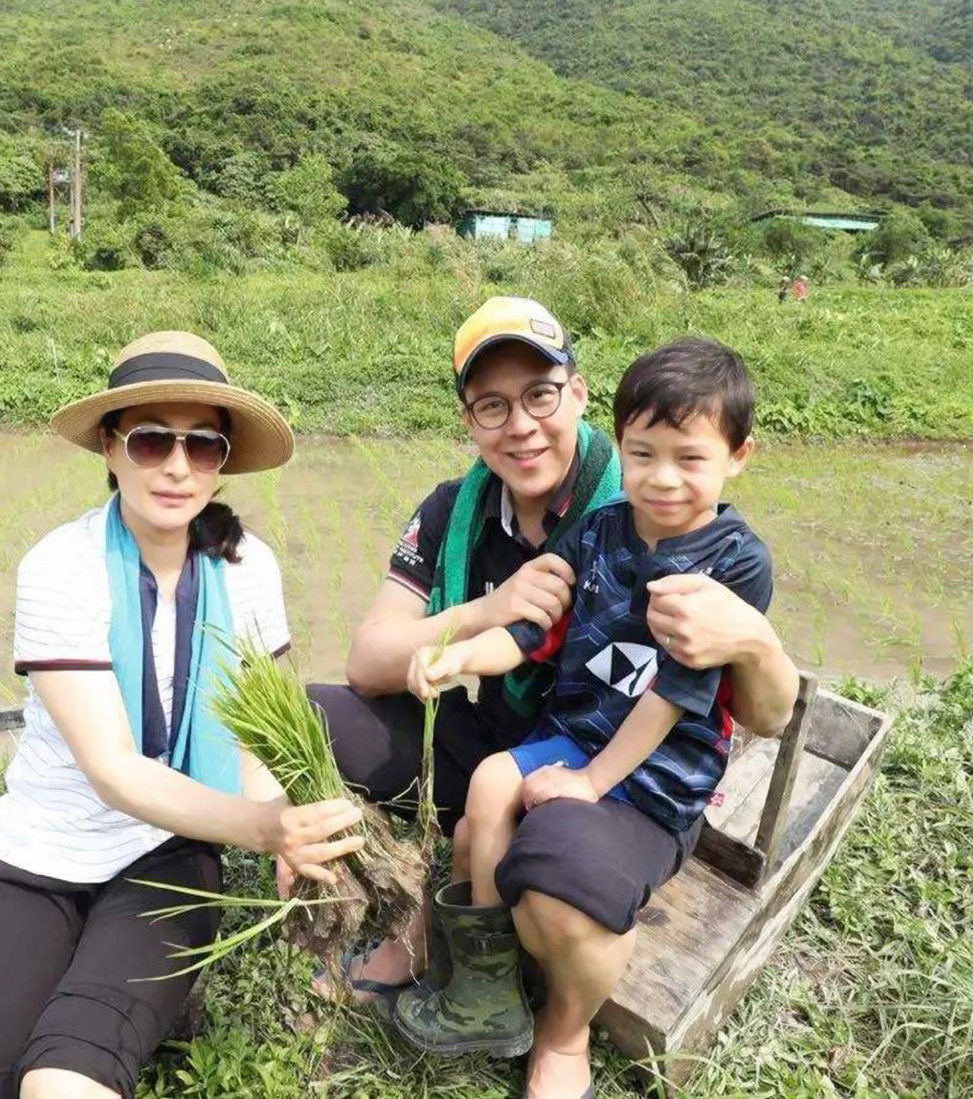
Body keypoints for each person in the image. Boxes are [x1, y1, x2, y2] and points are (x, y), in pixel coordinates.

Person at [304, 297, 799, 1099]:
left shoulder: (636, 512)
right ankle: (468, 969)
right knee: (326, 716)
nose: (520, 425)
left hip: (612, 763)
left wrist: (752, 643)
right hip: (514, 735)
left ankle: (558, 1034)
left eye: (539, 394)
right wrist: (472, 622)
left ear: (576, 393)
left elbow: (756, 710)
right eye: (491, 405)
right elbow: (375, 659)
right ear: (469, 418)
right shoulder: (458, 513)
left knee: (551, 868)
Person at [0, 332, 366, 1099]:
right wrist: (263, 829)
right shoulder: (61, 566)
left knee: (65, 1083)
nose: (177, 467)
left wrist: (284, 818)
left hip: (169, 853)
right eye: (151, 441)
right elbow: (111, 769)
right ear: (110, 449)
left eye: (202, 446)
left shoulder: (248, 571)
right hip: (39, 856)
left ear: (223, 459)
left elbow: (261, 733)